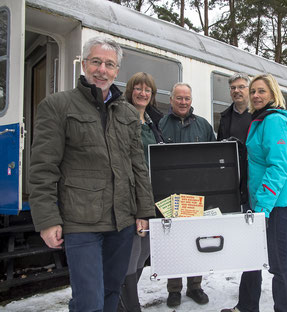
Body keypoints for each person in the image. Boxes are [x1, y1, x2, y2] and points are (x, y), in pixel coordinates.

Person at [29, 37, 156, 312]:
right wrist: (47, 219)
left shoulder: (128, 114)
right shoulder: (57, 106)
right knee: (89, 302)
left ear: (117, 71)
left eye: (109, 64)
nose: (102, 69)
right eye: (96, 62)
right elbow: (43, 167)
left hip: (121, 223)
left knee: (112, 292)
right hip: (81, 222)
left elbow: (138, 167)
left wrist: (143, 212)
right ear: (84, 64)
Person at [221, 74, 287, 312]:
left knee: (278, 263)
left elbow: (278, 167)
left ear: (273, 94)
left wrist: (262, 208)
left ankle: (285, 307)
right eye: (253, 91)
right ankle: (247, 306)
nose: (256, 95)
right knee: (262, 253)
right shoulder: (262, 120)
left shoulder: (274, 121)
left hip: (277, 202)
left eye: (261, 91)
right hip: (267, 200)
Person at [159, 82, 215, 307]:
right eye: (179, 98)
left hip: (196, 193)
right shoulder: (160, 124)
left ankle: (195, 286)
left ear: (191, 100)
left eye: (187, 98)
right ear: (171, 99)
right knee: (173, 242)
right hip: (170, 195)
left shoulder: (203, 125)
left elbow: (212, 157)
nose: (183, 102)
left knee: (195, 240)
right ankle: (174, 289)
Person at [118, 72, 165, 312]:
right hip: (131, 194)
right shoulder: (122, 117)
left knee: (144, 250)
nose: (143, 93)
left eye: (148, 90)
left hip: (151, 195)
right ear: (130, 91)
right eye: (138, 88)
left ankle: (121, 301)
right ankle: (129, 306)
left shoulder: (150, 121)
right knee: (133, 251)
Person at [216, 73, 252, 210]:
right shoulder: (225, 117)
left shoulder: (259, 115)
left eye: (241, 87)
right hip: (232, 179)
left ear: (249, 89)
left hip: (253, 179)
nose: (236, 91)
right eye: (233, 88)